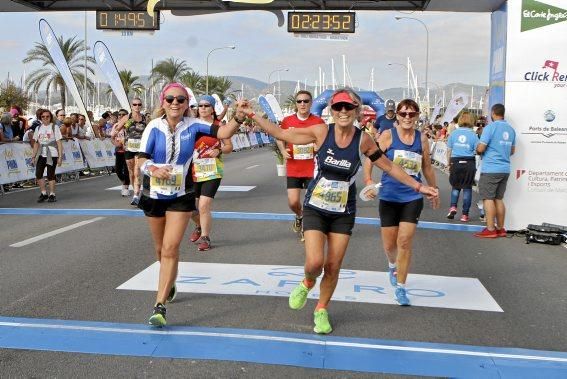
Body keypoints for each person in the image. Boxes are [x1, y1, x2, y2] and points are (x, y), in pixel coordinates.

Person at [246, 89, 438, 334]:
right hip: (315, 206)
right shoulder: (321, 131)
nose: (343, 112)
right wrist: (251, 114)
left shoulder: (363, 140)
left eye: (348, 107)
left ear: (357, 111)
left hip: (343, 211)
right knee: (315, 262)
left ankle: (321, 309)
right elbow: (282, 133)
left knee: (334, 266)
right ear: (332, 111)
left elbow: (389, 166)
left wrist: (419, 186)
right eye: (338, 107)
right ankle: (307, 282)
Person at [137, 83, 246, 327]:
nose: (175, 103)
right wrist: (152, 168)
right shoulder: (153, 127)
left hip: (180, 195)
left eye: (180, 99)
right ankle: (170, 280)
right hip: (153, 194)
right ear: (162, 102)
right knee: (159, 250)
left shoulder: (195, 125)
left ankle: (160, 306)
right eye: (170, 99)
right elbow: (141, 158)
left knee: (170, 248)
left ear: (187, 104)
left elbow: (224, 133)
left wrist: (238, 117)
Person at [363, 98, 440, 307]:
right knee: (389, 245)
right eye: (404, 114)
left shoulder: (422, 139)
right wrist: (369, 181)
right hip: (389, 196)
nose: (408, 117)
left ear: (417, 117)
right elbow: (371, 158)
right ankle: (391, 264)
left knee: (404, 242)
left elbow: (427, 167)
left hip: (412, 198)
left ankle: (401, 287)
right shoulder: (388, 136)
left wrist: (434, 189)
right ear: (397, 115)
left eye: (412, 114)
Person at [276, 90, 324, 242]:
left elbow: (324, 139)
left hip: (312, 167)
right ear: (295, 104)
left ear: (311, 103)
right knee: (293, 202)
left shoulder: (318, 122)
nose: (302, 104)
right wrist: (283, 150)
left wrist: (318, 146)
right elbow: (279, 136)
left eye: (306, 101)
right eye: (299, 101)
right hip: (294, 167)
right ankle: (299, 215)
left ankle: (306, 230)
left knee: (310, 202)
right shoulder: (287, 121)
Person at [187, 95, 233, 251]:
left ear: (213, 108)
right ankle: (199, 225)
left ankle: (205, 237)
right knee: (191, 208)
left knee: (204, 205)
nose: (203, 108)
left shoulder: (218, 126)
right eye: (200, 106)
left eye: (207, 105)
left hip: (213, 171)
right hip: (192, 172)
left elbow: (229, 147)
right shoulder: (191, 126)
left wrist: (219, 150)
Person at [474, 103, 516, 238]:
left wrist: (478, 150)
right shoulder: (511, 129)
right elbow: (512, 151)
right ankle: (501, 228)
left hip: (491, 168)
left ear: (493, 113)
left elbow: (480, 148)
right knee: (499, 199)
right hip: (505, 169)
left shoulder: (490, 128)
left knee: (488, 198)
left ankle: (490, 229)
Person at [446, 111, 479, 222]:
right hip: (469, 162)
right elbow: (477, 150)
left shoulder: (453, 134)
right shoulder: (474, 135)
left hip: (455, 162)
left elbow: (449, 150)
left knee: (455, 186)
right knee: (467, 188)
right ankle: (465, 214)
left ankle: (453, 207)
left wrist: (448, 163)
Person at [114, 99, 146, 205]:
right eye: (135, 104)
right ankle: (135, 192)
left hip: (140, 149)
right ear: (131, 106)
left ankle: (136, 195)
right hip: (129, 148)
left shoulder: (145, 118)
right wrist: (117, 141)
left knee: (137, 171)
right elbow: (116, 130)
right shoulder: (127, 118)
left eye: (139, 104)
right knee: (131, 172)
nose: (137, 106)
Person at [31, 109, 63, 203]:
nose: (45, 118)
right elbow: (36, 143)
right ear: (40, 118)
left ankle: (52, 194)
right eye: (43, 117)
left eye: (47, 116)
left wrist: (60, 157)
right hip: (41, 154)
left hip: (52, 153)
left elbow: (59, 142)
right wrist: (33, 157)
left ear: (50, 117)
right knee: (38, 174)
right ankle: (44, 193)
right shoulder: (38, 128)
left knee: (50, 175)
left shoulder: (54, 127)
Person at [111, 113, 130, 197]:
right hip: (119, 150)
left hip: (128, 150)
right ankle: (124, 182)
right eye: (119, 114)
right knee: (118, 170)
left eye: (123, 114)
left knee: (127, 170)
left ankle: (126, 188)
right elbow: (112, 138)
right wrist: (116, 143)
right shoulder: (116, 126)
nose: (121, 116)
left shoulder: (129, 125)